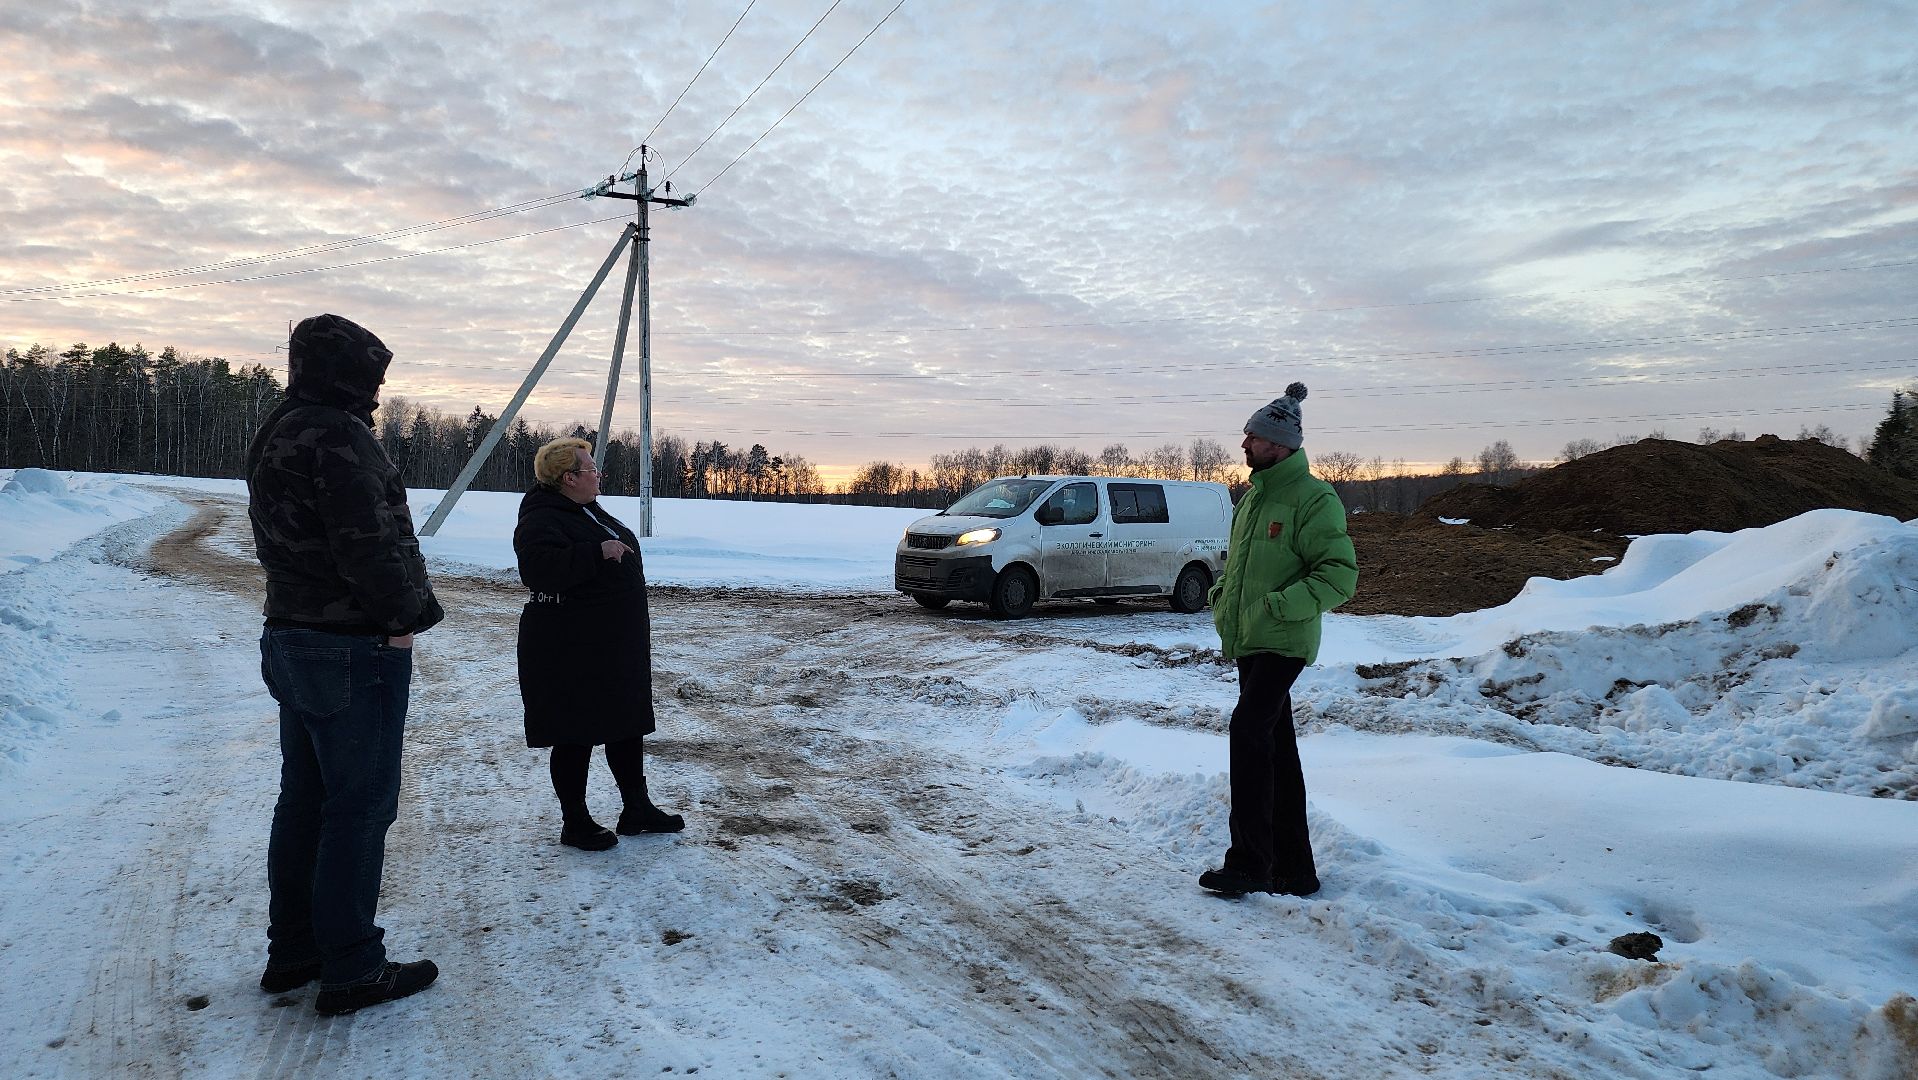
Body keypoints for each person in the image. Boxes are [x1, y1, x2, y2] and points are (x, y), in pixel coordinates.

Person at [246, 313, 444, 1015]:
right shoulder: (338, 433)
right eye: (371, 376)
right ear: (346, 372)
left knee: (305, 801)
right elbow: (368, 542)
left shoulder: (280, 425)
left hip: (291, 634)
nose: (377, 391)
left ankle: (296, 949)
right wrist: (404, 618)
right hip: (351, 644)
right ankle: (354, 967)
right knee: (359, 807)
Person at [1201, 383, 1358, 898]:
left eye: (1254, 437)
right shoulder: (1253, 498)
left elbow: (1339, 575)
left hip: (1283, 639)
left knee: (1248, 733)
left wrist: (1277, 606)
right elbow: (1240, 566)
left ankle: (1249, 863)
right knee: (1276, 749)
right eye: (1247, 435)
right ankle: (1295, 869)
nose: (1244, 443)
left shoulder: (1314, 498)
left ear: (1280, 444)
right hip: (1250, 637)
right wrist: (1222, 596)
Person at [514, 437, 684, 850]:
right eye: (591, 469)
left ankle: (636, 808)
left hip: (611, 642)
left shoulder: (586, 509)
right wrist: (596, 552)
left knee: (626, 723)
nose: (598, 474)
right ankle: (575, 822)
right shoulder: (541, 516)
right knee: (575, 730)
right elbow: (537, 570)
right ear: (568, 478)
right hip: (569, 644)